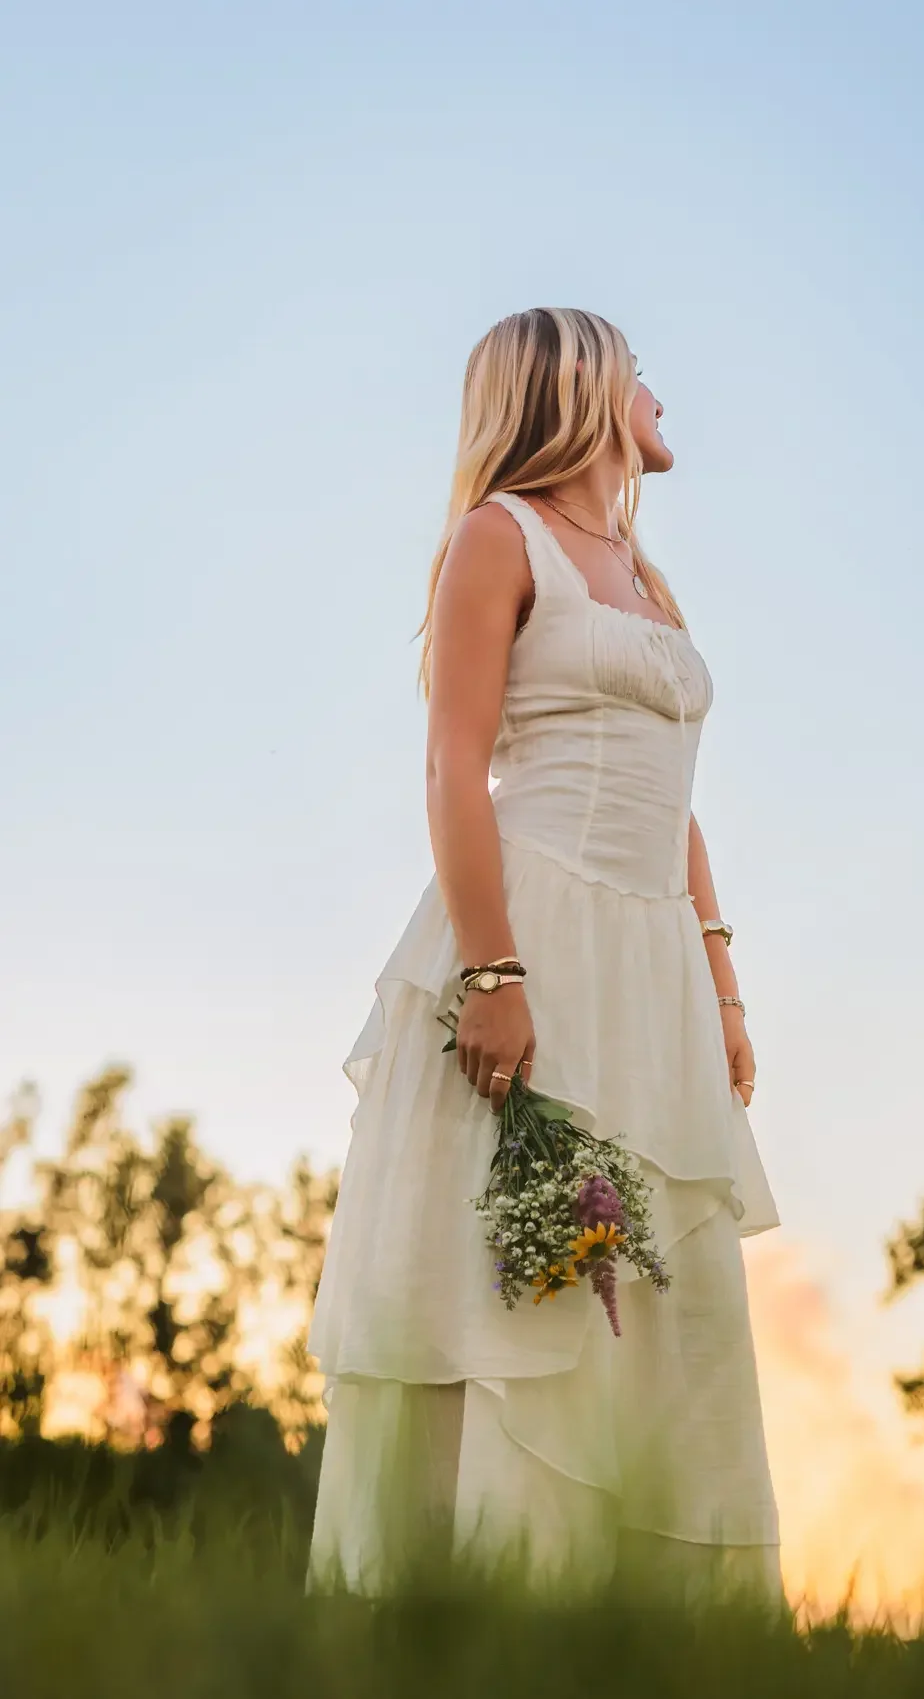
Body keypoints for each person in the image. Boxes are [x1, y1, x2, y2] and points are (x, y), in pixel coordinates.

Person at [307, 307, 782, 1602]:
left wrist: (722, 977)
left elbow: (674, 799)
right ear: (576, 382)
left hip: (654, 973)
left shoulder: (644, 575)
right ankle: (479, 1620)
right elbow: (455, 763)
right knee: (518, 1299)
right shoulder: (496, 537)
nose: (659, 392)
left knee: (659, 1297)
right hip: (531, 932)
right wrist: (492, 974)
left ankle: (637, 1647)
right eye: (639, 367)